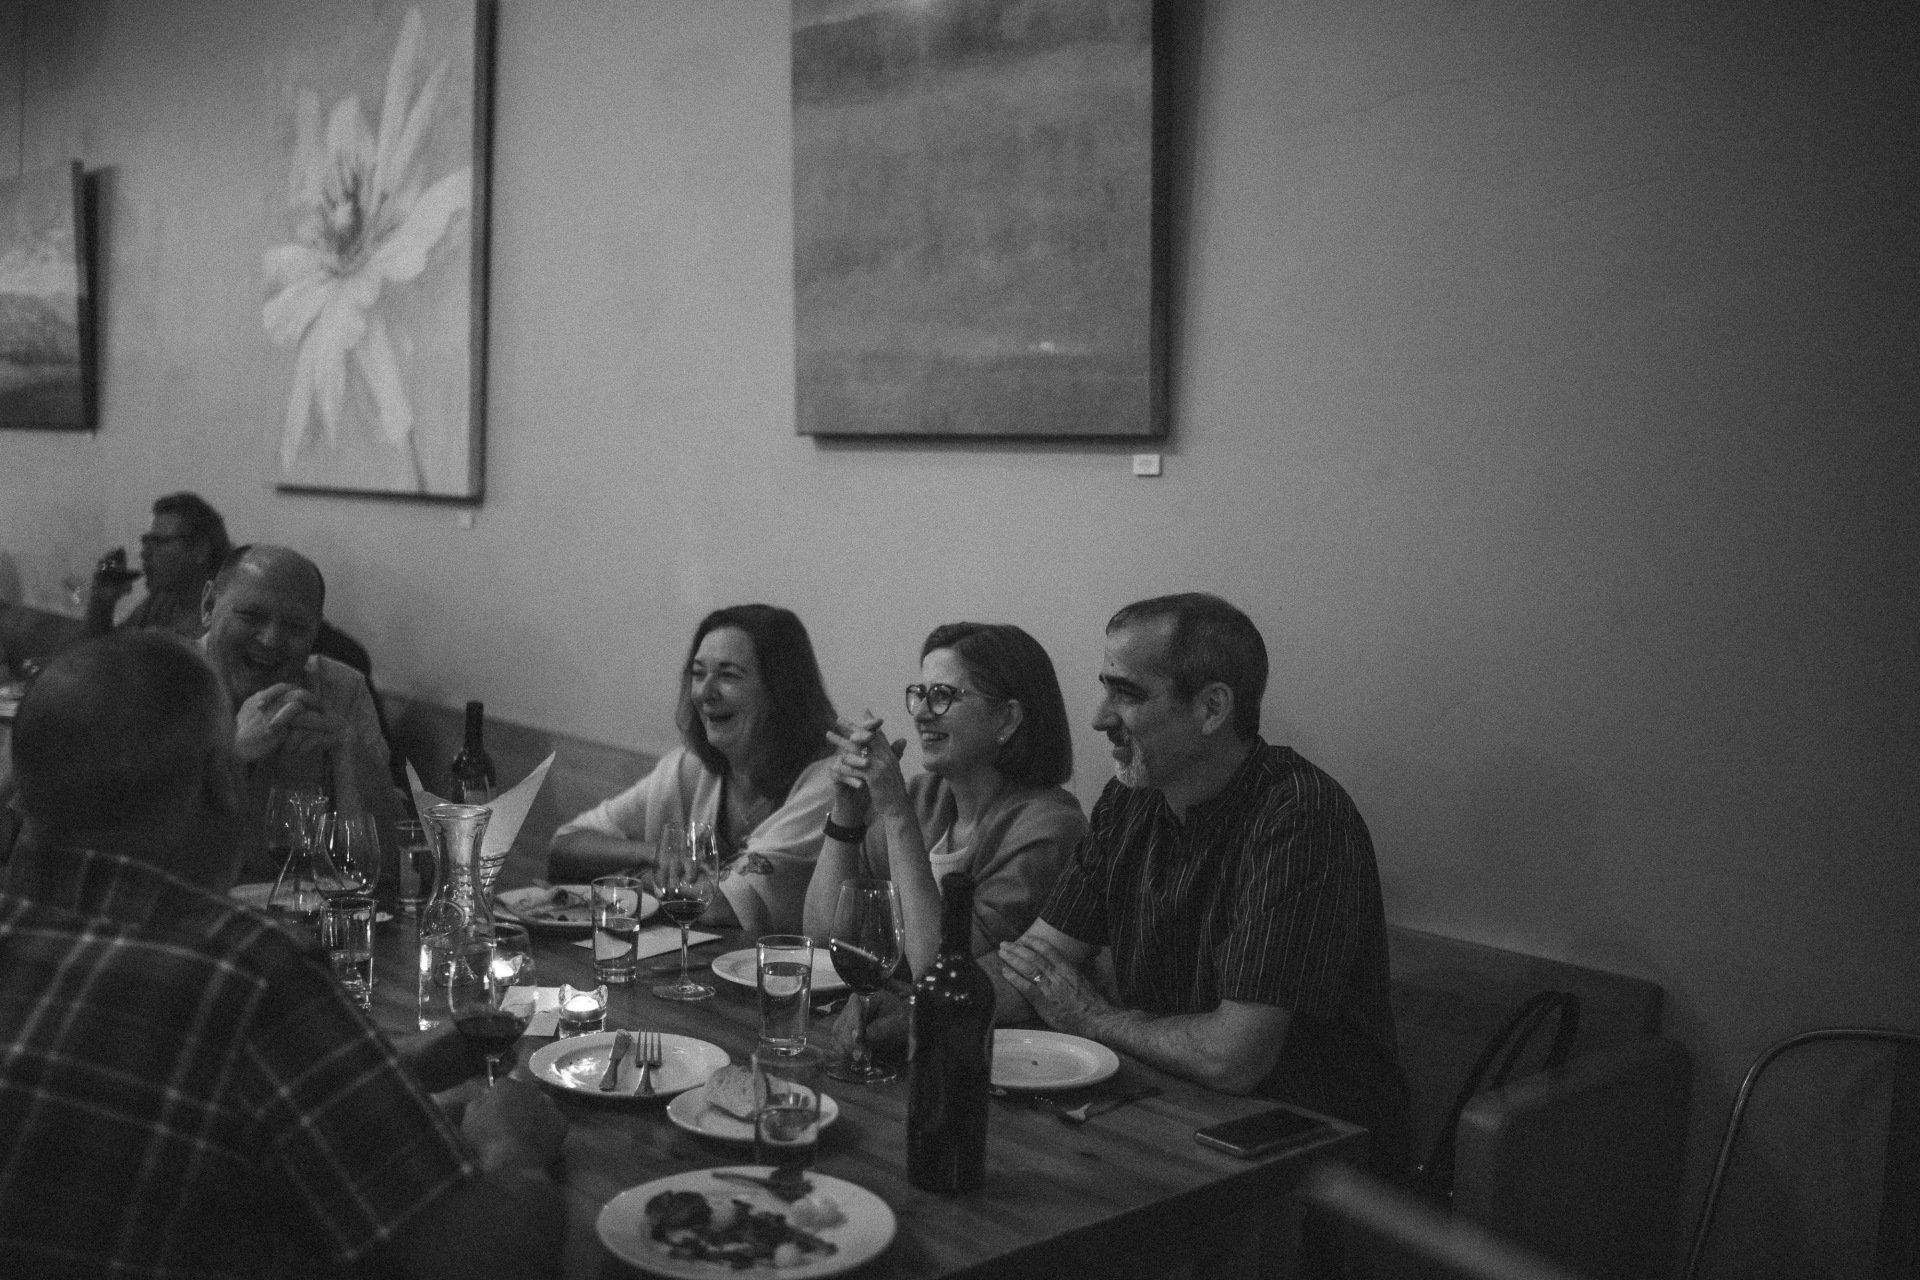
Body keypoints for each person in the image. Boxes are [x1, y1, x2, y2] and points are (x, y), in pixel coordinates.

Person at [0, 630, 566, 1279]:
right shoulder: (245, 975)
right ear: (221, 780)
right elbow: (485, 1262)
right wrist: (511, 1144)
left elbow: (141, 1078)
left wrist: (390, 1069)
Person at [996, 593, 1408, 1169]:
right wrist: (918, 1013)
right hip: (1174, 1119)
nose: (1098, 717)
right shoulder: (1129, 802)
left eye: (1127, 693)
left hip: (1305, 1164)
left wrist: (1092, 1019)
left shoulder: (1301, 816)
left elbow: (1233, 1058)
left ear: (1212, 709)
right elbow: (1033, 963)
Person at [805, 622, 1085, 978]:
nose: (920, 713)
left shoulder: (1049, 828)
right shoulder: (923, 797)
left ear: (1007, 718)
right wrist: (845, 814)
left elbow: (938, 969)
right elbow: (822, 937)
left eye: (942, 695)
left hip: (990, 1033)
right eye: (919, 694)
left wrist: (896, 814)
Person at [547, 605, 838, 937]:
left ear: (780, 692)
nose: (704, 693)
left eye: (728, 675)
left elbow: (714, 905)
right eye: (699, 674)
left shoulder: (829, 782)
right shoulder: (690, 768)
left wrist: (635, 877)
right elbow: (564, 848)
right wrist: (652, 854)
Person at [199, 544, 405, 879]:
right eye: (251, 616)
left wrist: (348, 754)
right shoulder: (161, 681)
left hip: (304, 918)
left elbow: (388, 869)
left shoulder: (340, 690)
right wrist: (231, 755)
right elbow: (141, 849)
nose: (270, 640)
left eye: (295, 627)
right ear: (209, 605)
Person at [84, 490, 230, 640]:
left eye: (159, 542)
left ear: (200, 550)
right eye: (147, 542)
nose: (145, 554)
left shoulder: (229, 620)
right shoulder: (160, 603)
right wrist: (102, 603)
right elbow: (107, 655)